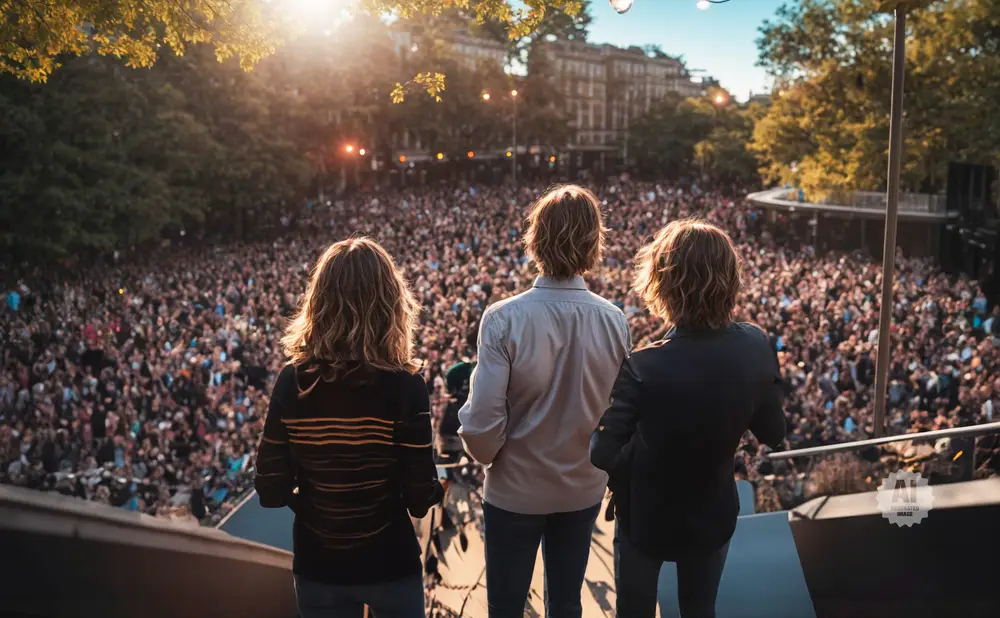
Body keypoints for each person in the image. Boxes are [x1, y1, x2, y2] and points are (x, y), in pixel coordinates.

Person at [590, 219, 786, 618]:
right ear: (730, 279)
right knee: (700, 611)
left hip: (646, 518)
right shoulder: (755, 345)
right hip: (712, 511)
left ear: (662, 282)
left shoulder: (646, 365)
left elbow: (602, 452)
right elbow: (774, 432)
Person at [458, 185, 631, 618]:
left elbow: (479, 429)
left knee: (505, 606)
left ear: (535, 239)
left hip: (515, 490)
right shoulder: (614, 321)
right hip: (582, 486)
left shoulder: (503, 318)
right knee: (567, 602)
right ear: (594, 243)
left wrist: (495, 456)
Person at [255, 237, 443, 618]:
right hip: (392, 562)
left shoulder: (292, 382)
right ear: (391, 303)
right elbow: (420, 498)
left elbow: (270, 489)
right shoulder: (405, 386)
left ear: (319, 302)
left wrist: (315, 504)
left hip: (318, 563)